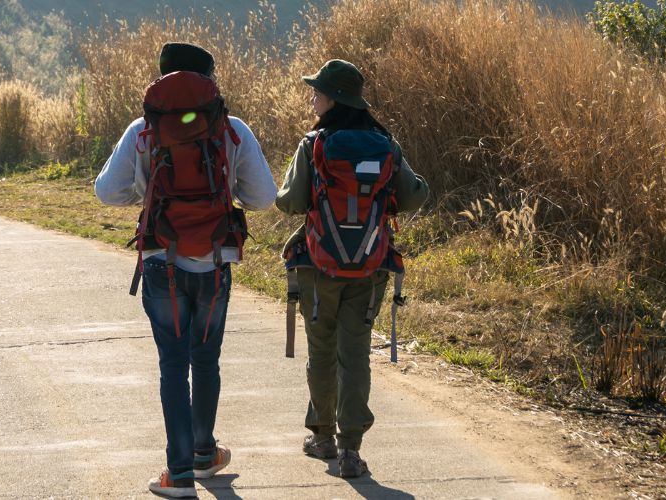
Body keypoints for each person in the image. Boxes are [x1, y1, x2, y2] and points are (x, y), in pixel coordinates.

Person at [95, 42, 277, 498]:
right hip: (215, 263)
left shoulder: (143, 130)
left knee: (172, 365)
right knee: (206, 358)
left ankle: (178, 475)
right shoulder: (232, 130)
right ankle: (203, 453)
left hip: (161, 263)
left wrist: (148, 193)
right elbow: (264, 198)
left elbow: (105, 191)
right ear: (210, 82)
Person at [276, 59, 430, 479]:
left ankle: (322, 436)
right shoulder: (385, 143)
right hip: (370, 267)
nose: (312, 97)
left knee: (322, 351)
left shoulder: (314, 144)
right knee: (355, 355)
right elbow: (415, 196)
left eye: (317, 92)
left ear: (334, 99)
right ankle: (351, 452)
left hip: (318, 266)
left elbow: (288, 202)